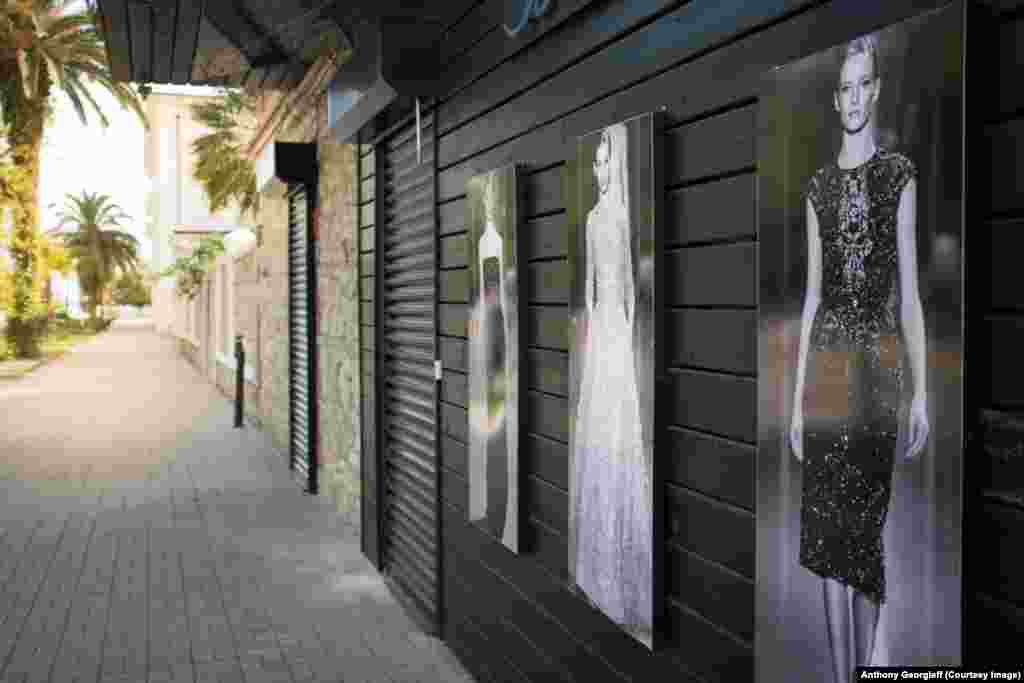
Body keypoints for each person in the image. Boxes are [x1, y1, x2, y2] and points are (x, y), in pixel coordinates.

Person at [788, 34, 930, 682]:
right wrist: (795, 405)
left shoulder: (898, 175)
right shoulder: (816, 188)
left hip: (877, 367)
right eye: (841, 86)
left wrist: (921, 391)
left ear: (874, 88)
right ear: (836, 93)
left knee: (862, 530)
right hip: (826, 372)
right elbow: (813, 297)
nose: (850, 96)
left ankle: (869, 667)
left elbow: (908, 295)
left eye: (861, 84)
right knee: (824, 531)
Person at [572, 123, 652, 646]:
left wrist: (623, 344)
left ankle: (624, 577)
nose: (600, 170)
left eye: (606, 161)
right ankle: (597, 571)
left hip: (617, 335)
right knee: (598, 445)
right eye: (595, 162)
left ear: (617, 163)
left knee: (621, 444)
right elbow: (590, 288)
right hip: (599, 333)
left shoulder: (621, 217)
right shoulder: (592, 218)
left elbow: (626, 286)